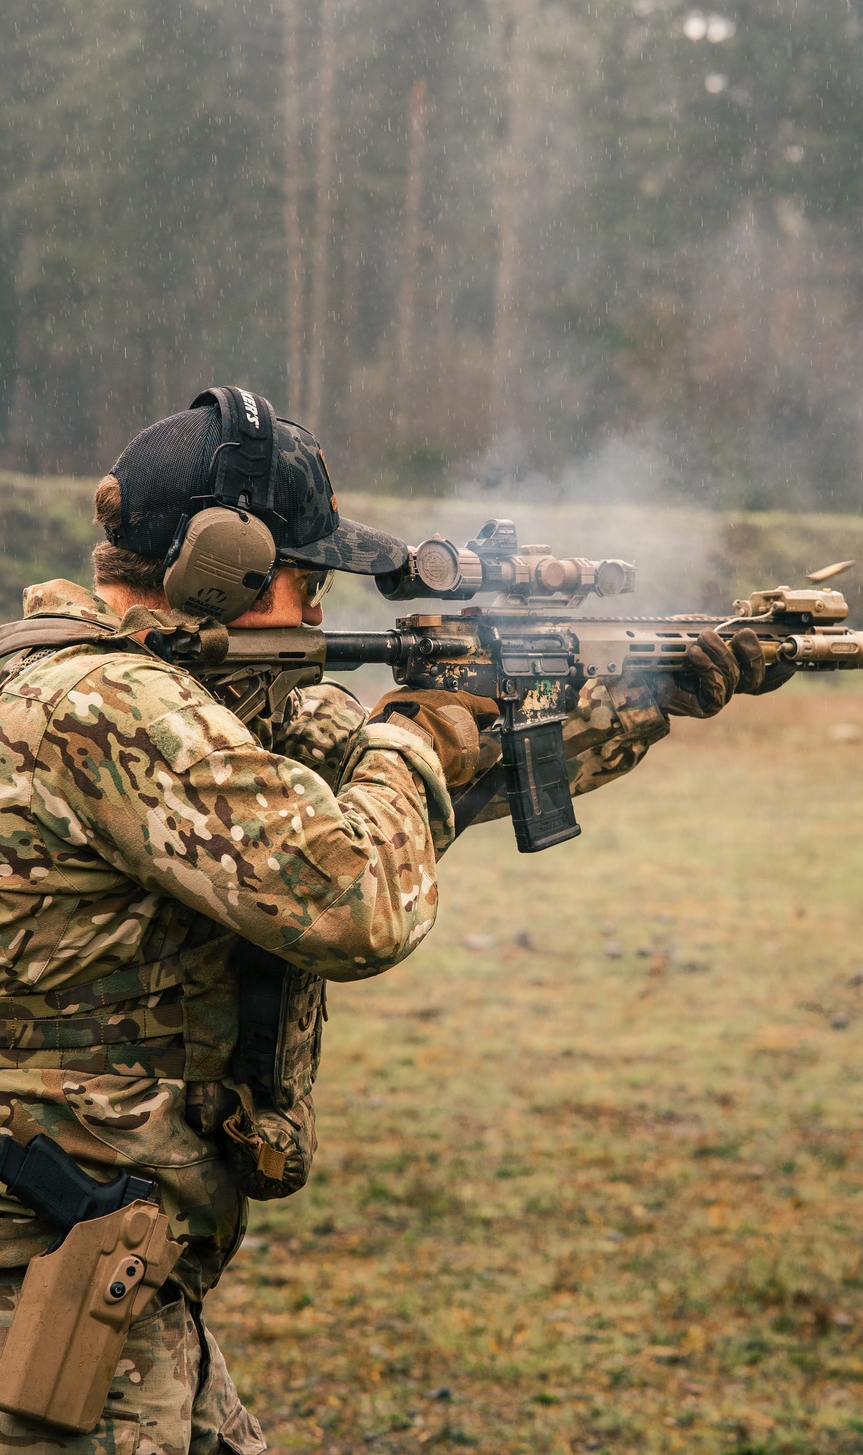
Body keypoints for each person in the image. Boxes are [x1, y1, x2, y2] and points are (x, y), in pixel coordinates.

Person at [0, 388, 783, 1454]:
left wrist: (647, 692)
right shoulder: (110, 707)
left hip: (109, 1254)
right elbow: (348, 897)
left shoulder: (175, 694)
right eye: (306, 580)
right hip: (48, 1262)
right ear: (219, 567)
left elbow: (421, 793)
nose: (323, 612)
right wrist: (414, 736)